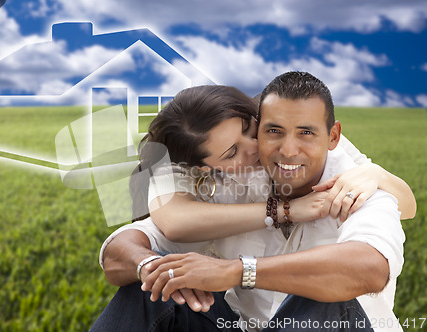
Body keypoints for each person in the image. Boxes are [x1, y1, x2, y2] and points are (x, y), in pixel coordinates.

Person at [91, 74, 413, 331]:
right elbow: (130, 244)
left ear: (331, 137)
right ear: (209, 167)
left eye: (251, 129)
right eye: (232, 152)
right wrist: (152, 268)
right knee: (152, 288)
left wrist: (238, 271)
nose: (282, 149)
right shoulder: (227, 185)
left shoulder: (353, 181)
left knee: (329, 295)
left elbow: (369, 268)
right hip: (245, 327)